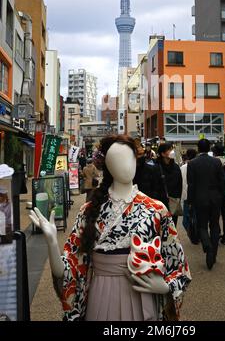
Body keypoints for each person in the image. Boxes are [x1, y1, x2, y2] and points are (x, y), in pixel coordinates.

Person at [29, 135, 191, 321]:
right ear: (107, 164)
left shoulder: (156, 209)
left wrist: (165, 286)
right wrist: (51, 243)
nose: (125, 164)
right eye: (117, 159)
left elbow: (177, 261)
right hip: (101, 292)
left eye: (129, 158)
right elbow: (71, 269)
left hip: (142, 293)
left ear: (136, 160)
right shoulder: (88, 211)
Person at [187, 139, 225, 270]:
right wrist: (220, 196)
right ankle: (213, 254)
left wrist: (190, 201)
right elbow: (223, 182)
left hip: (200, 199)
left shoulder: (192, 163)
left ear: (198, 149)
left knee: (202, 225)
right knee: (215, 225)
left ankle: (207, 244)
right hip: (215, 198)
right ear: (209, 148)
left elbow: (191, 185)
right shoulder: (216, 162)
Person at [155, 142, 183, 226]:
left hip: (173, 202)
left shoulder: (176, 167)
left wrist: (177, 197)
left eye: (172, 149)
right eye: (169, 150)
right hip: (160, 202)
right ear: (163, 154)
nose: (172, 151)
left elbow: (179, 183)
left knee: (173, 226)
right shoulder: (156, 167)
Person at [180, 149, 197, 231]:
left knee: (186, 217)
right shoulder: (198, 166)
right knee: (196, 216)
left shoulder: (183, 167)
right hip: (197, 196)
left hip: (186, 195)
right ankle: (196, 233)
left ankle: (191, 232)